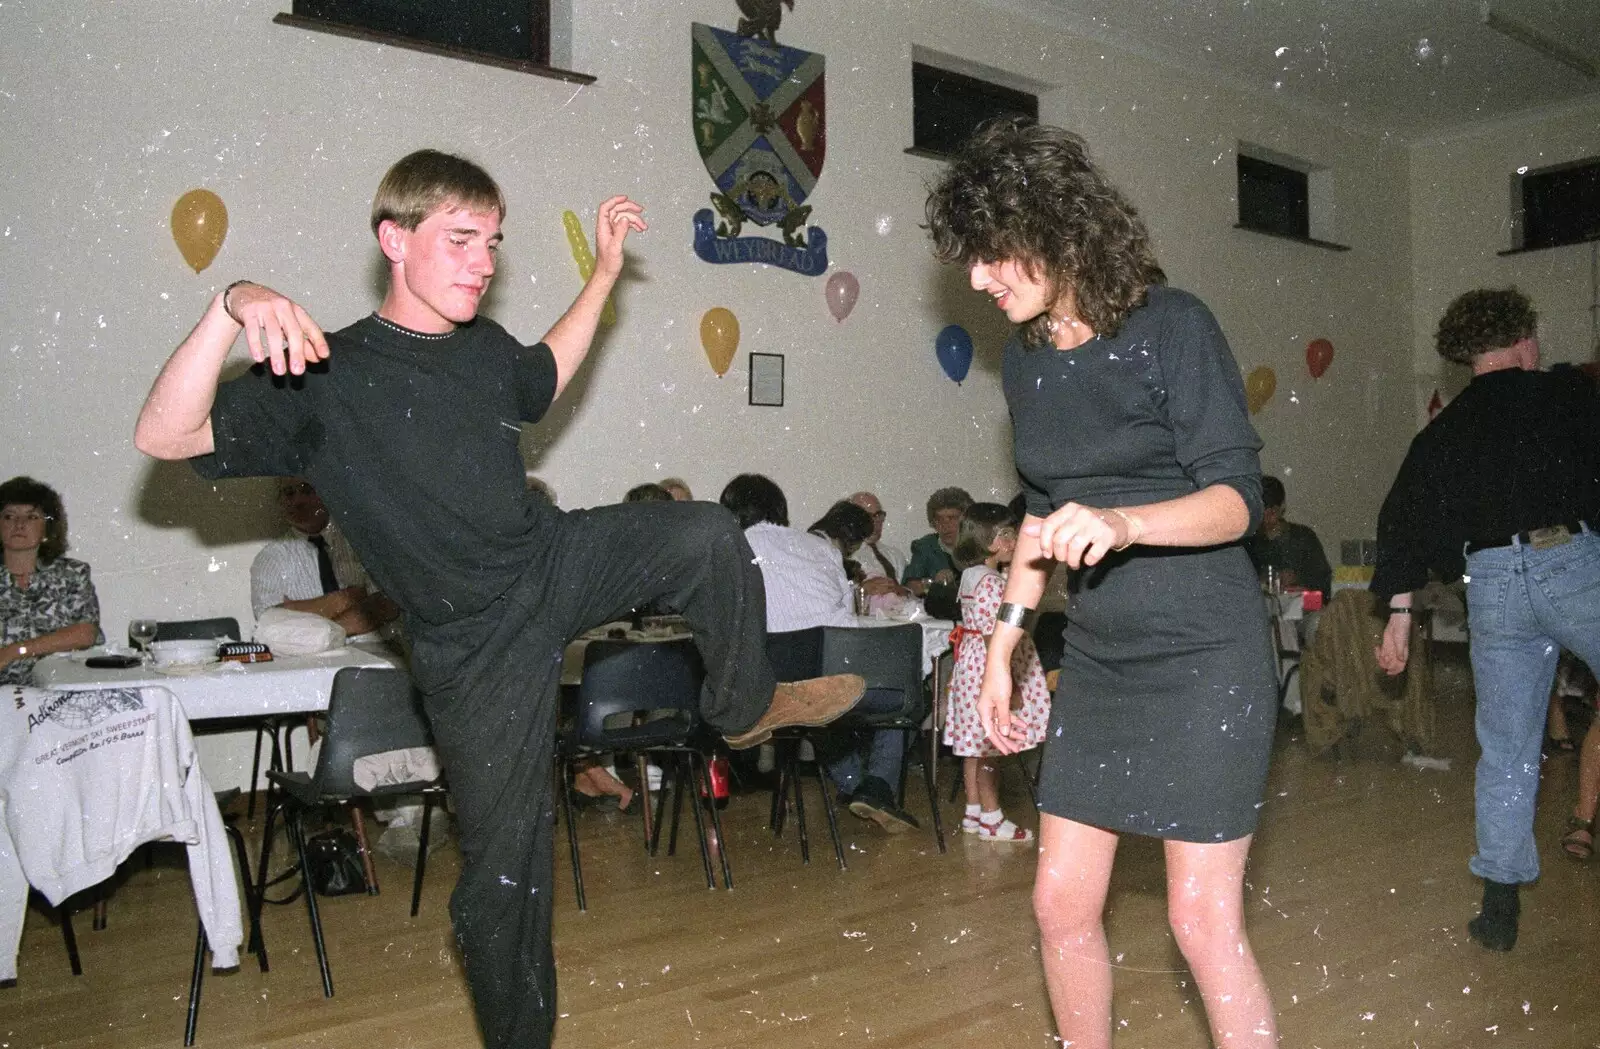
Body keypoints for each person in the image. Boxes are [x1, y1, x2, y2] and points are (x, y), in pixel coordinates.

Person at [132, 149, 864, 1049]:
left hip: (549, 560)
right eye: (462, 238)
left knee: (709, 531)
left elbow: (545, 371)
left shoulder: (481, 347)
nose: (485, 261)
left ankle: (745, 706)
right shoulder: (325, 372)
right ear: (393, 240)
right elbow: (164, 432)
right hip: (470, 646)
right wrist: (233, 299)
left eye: (495, 242)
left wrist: (601, 276)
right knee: (506, 878)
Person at [927, 117, 1278, 1049]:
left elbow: (1238, 501)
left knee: (1202, 921)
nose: (976, 279)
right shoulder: (1030, 362)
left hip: (1207, 653)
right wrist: (1005, 643)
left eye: (991, 253)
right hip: (1101, 657)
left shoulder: (1175, 325)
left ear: (1054, 229)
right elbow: (1041, 516)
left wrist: (1126, 523)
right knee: (1057, 904)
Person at [1372, 287, 1600, 952]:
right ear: (1523, 338)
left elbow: (1403, 520)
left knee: (1506, 753)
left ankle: (1499, 908)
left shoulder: (1442, 430)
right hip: (1572, 559)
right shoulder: (1564, 394)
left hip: (1493, 582)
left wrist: (1397, 614)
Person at [720, 474, 918, 830]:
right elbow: (848, 619)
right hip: (835, 671)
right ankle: (875, 786)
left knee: (813, 704)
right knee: (903, 695)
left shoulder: (731, 548)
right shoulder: (820, 547)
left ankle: (858, 786)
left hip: (775, 686)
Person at [944, 502, 1051, 843]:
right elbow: (995, 633)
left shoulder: (972, 576)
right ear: (987, 541)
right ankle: (992, 817)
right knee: (994, 747)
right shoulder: (991, 583)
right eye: (1006, 534)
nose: (1014, 539)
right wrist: (1008, 680)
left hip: (972, 665)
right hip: (990, 666)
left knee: (975, 748)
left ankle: (973, 811)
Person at [250, 477, 400, 641]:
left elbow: (387, 604)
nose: (298, 501)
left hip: (376, 653)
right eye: (289, 493)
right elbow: (269, 622)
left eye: (307, 490)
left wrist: (296, 610)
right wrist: (349, 597)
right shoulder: (271, 557)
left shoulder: (361, 542)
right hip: (313, 659)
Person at [0, 477, 100, 684]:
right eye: (9, 516)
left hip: (60, 689)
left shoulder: (72, 573)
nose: (19, 524)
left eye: (31, 517)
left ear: (47, 529)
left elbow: (85, 633)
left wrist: (15, 651)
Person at [1245, 475, 1332, 601]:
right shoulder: (1249, 542)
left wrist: (1299, 581)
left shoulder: (1304, 537)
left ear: (1282, 507)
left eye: (1272, 512)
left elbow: (1323, 585)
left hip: (1301, 610)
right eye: (1263, 513)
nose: (1268, 519)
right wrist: (1264, 581)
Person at [901, 486, 971, 597]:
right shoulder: (925, 547)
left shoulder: (978, 545)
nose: (945, 526)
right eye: (939, 519)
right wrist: (932, 583)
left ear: (966, 520)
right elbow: (908, 586)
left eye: (952, 518)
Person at [848, 490, 910, 595]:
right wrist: (862, 591)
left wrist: (904, 591)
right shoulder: (842, 557)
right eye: (868, 517)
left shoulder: (895, 555)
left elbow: (910, 593)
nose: (876, 522)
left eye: (878, 515)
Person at [807, 500, 875, 583]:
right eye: (862, 539)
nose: (860, 546)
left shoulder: (815, 540)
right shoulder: (821, 549)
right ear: (852, 536)